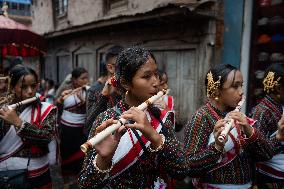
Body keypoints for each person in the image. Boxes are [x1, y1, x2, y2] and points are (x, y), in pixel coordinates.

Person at [78, 47, 187, 188]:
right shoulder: (106, 120)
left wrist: (154, 136)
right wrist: (103, 160)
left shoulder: (160, 116)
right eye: (146, 76)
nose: (156, 82)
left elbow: (181, 171)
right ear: (125, 83)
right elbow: (85, 184)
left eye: (155, 74)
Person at [184, 64, 275, 188]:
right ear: (217, 90)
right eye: (235, 86)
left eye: (241, 85)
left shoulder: (238, 116)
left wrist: (249, 131)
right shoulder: (202, 118)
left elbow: (266, 154)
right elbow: (189, 167)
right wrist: (217, 147)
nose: (241, 92)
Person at [0, 66, 57, 189]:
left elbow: (46, 137)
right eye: (23, 87)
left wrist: (18, 122)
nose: (30, 91)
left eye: (33, 86)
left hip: (38, 172)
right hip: (7, 173)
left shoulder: (47, 109)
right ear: (13, 87)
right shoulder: (3, 108)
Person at [249, 63, 284, 189]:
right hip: (269, 179)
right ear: (279, 88)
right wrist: (279, 138)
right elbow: (257, 152)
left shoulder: (280, 106)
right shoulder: (261, 113)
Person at [56, 67, 89, 187]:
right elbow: (57, 109)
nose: (86, 81)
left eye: (87, 78)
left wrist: (83, 98)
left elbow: (91, 108)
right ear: (74, 80)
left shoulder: (88, 91)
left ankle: (79, 180)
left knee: (81, 156)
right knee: (66, 155)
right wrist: (60, 100)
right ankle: (66, 183)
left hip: (81, 130)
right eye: (82, 78)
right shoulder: (65, 90)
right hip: (67, 130)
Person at [85, 46, 124, 135]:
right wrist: (103, 96)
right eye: (123, 66)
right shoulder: (95, 91)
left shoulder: (130, 87)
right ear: (111, 68)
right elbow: (88, 127)